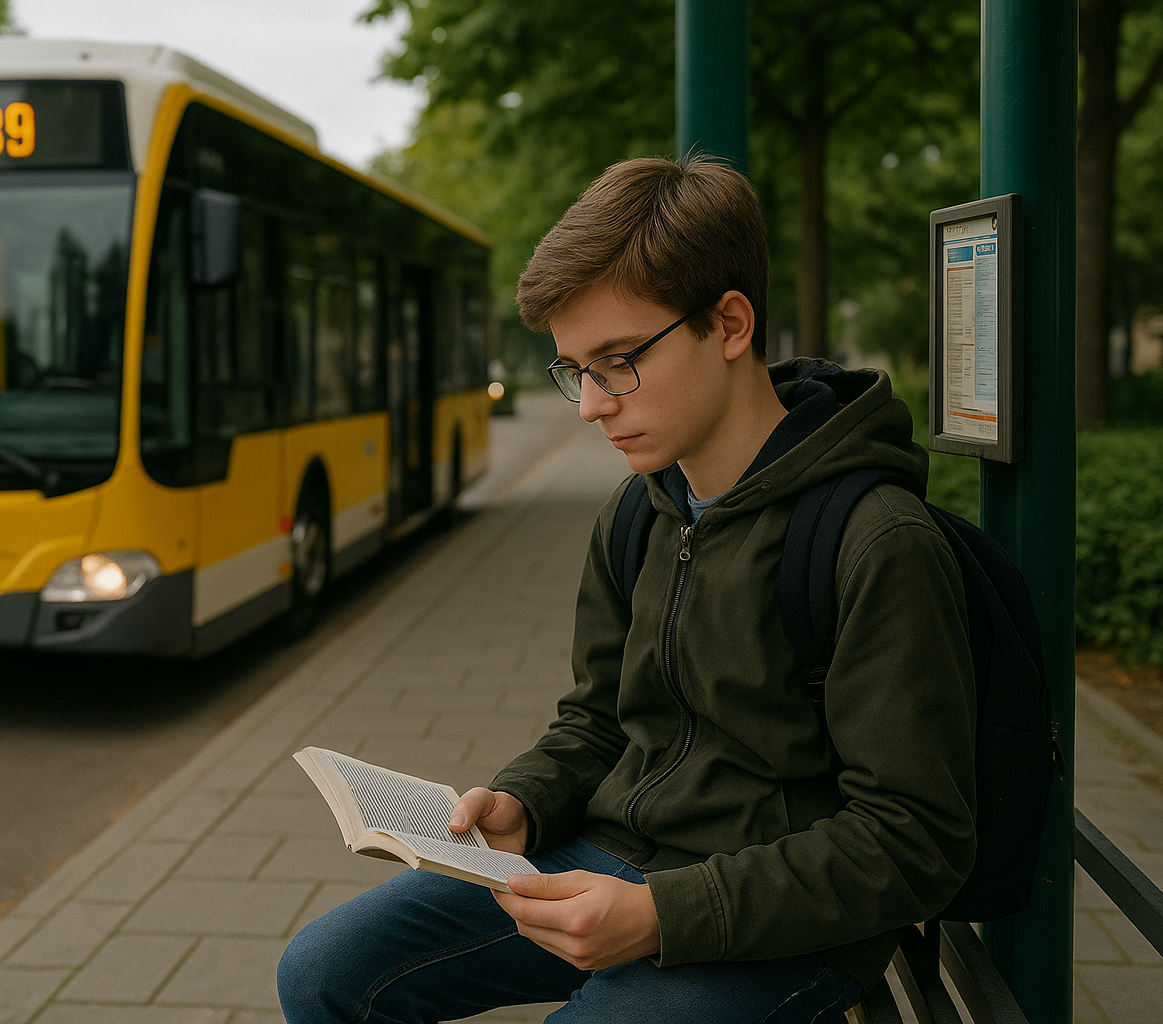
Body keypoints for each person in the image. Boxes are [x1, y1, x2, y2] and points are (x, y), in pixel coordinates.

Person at [277, 156, 977, 1024]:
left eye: (618, 362)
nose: (591, 406)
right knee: (322, 973)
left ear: (728, 323)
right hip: (612, 857)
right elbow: (599, 720)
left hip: (781, 922)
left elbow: (918, 841)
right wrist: (524, 801)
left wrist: (663, 917)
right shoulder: (640, 514)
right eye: (574, 370)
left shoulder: (873, 540)